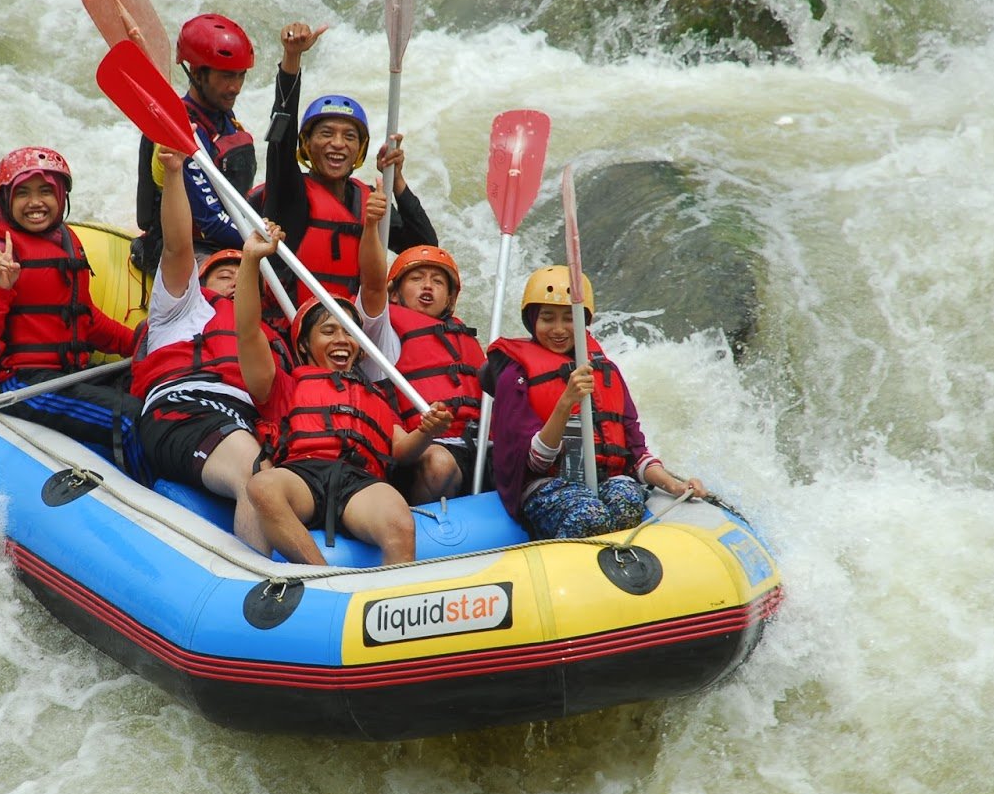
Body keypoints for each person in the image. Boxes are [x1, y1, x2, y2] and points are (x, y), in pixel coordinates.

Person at [234, 221, 452, 566]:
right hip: (302, 475)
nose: (341, 340)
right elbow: (247, 331)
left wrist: (426, 431)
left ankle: (390, 608)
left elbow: (402, 449)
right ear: (304, 346)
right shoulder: (283, 385)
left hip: (359, 482)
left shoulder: (374, 395)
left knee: (398, 520)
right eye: (328, 331)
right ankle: (322, 579)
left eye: (350, 334)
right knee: (262, 487)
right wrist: (251, 260)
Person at [0, 146, 148, 479]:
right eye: (23, 193)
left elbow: (86, 320)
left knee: (153, 384)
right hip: (18, 385)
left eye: (46, 191)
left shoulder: (67, 239)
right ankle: (150, 498)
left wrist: (141, 345)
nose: (35, 202)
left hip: (67, 374)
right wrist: (0, 290)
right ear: (5, 200)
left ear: (62, 195)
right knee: (128, 416)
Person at [129, 145, 286, 553]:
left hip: (242, 422)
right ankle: (265, 588)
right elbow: (179, 247)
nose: (235, 282)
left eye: (245, 274)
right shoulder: (181, 305)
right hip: (184, 409)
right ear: (202, 280)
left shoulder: (268, 336)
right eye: (225, 274)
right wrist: (175, 174)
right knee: (257, 479)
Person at [485, 266, 707, 539]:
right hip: (548, 484)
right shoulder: (516, 376)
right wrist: (566, 402)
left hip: (604, 480)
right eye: (547, 318)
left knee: (626, 502)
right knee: (589, 516)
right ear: (532, 320)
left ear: (584, 321)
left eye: (569, 318)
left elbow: (635, 451)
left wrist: (675, 485)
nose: (558, 329)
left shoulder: (605, 371)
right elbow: (536, 462)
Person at [252, 21, 437, 305]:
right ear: (306, 145)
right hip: (292, 330)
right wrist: (292, 58)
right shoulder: (288, 191)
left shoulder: (367, 201)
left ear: (360, 149)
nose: (338, 143)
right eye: (326, 134)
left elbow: (424, 248)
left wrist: (396, 180)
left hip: (350, 334)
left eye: (349, 136)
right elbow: (281, 137)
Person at [132, 13, 258, 273]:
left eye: (240, 76)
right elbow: (211, 220)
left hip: (223, 239)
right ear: (198, 74)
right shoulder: (179, 129)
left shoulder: (223, 118)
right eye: (226, 76)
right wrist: (262, 240)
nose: (235, 87)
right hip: (183, 248)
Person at [382, 245, 487, 503]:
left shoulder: (463, 337)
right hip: (424, 448)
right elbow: (371, 290)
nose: (427, 286)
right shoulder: (384, 334)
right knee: (439, 464)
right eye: (417, 279)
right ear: (394, 294)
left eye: (438, 281)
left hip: (482, 443)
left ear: (450, 299)